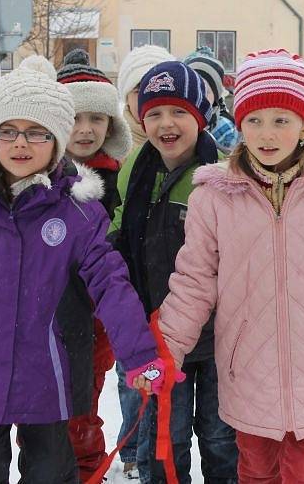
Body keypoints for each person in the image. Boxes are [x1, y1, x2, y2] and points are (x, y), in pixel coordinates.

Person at [0, 56, 168, 483]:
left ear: (57, 141)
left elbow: (110, 284)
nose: (21, 143)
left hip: (47, 374)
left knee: (52, 472)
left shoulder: (77, 212)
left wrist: (138, 354)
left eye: (37, 133)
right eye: (9, 131)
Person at [134, 49, 304, 484]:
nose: (267, 133)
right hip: (247, 370)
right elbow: (194, 283)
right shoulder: (215, 199)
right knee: (255, 472)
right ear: (239, 125)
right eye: (255, 120)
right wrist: (165, 349)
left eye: (282, 120)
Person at [115, 60, 238, 484]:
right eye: (154, 113)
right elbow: (119, 228)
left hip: (221, 333)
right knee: (167, 433)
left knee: (221, 435)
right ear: (140, 118)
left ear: (200, 116)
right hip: (160, 334)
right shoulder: (134, 169)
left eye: (179, 112)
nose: (166, 123)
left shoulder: (224, 173)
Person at [57, 48, 135, 481]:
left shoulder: (119, 178)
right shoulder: (32, 174)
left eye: (97, 119)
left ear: (111, 124)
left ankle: (87, 472)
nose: (85, 129)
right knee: (38, 419)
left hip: (95, 323)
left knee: (82, 409)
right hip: (38, 319)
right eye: (74, 117)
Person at [112, 43, 176, 479]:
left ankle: (157, 444)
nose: (147, 96)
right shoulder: (120, 152)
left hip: (171, 286)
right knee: (130, 372)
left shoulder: (179, 143)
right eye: (138, 88)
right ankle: (132, 441)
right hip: (129, 284)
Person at [184, 46, 239, 154]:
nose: (198, 95)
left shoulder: (226, 128)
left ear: (216, 95)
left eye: (205, 90)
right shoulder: (177, 121)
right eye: (192, 89)